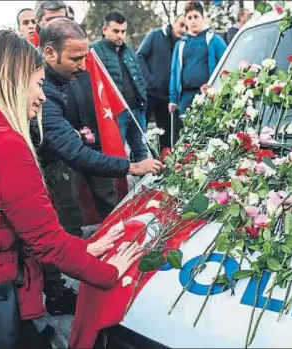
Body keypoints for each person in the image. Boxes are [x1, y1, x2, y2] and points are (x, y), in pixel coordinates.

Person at [0, 29, 144, 348]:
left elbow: (23, 229)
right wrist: (108, 272)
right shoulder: (1, 143)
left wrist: (85, 248)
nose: (43, 95)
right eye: (38, 83)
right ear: (15, 82)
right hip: (6, 304)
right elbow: (46, 242)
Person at [35, 18, 163, 315]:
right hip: (36, 173)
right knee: (46, 233)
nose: (83, 67)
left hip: (50, 162)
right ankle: (52, 296)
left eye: (85, 57)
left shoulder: (59, 80)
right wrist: (132, 167)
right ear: (50, 53)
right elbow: (75, 154)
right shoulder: (43, 94)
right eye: (76, 59)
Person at [92, 11, 149, 163]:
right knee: (116, 155)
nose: (120, 35)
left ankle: (144, 187)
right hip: (115, 112)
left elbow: (139, 78)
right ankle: (121, 187)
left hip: (136, 109)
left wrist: (143, 100)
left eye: (123, 31)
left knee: (142, 152)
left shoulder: (129, 51)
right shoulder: (95, 51)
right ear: (105, 30)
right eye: (116, 31)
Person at [169, 1, 226, 121]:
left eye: (196, 17)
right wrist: (173, 99)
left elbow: (226, 65)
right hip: (185, 98)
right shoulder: (180, 45)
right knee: (188, 135)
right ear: (185, 20)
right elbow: (174, 72)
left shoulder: (214, 39)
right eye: (189, 17)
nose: (193, 21)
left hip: (208, 96)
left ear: (203, 17)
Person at [137, 14, 187, 150]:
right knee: (140, 135)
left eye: (186, 27)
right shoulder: (155, 35)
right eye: (181, 25)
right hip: (148, 94)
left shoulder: (183, 44)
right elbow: (139, 55)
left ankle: (163, 166)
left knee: (166, 137)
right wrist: (149, 80)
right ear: (173, 22)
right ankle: (138, 162)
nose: (183, 29)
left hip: (166, 98)